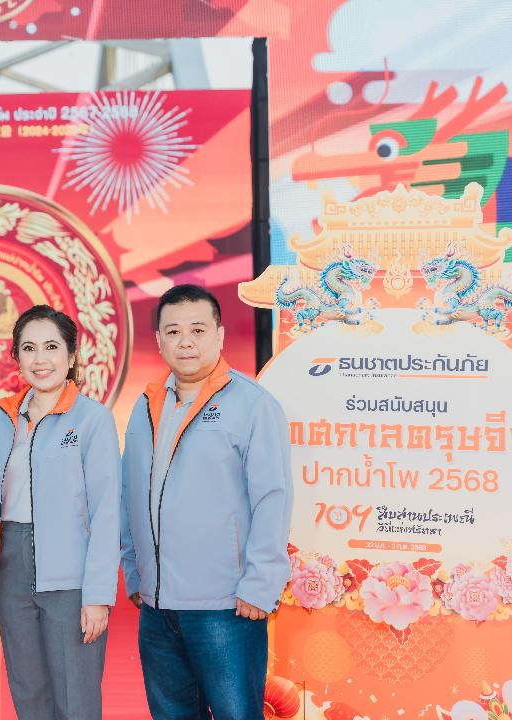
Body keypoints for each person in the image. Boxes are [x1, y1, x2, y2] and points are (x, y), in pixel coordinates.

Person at [120, 284, 293, 720]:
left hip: (226, 607)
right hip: (157, 608)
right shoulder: (146, 405)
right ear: (159, 340)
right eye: (173, 331)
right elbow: (130, 494)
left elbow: (272, 498)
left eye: (197, 330)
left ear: (219, 335)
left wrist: (260, 585)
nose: (186, 342)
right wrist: (135, 572)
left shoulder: (252, 405)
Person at [0, 305, 121, 720]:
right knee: (28, 693)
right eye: (29, 348)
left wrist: (98, 595)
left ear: (71, 355)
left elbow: (107, 511)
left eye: (51, 347)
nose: (40, 359)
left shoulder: (93, 419)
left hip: (70, 576)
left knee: (75, 698)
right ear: (16, 357)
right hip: (11, 572)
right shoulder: (3, 418)